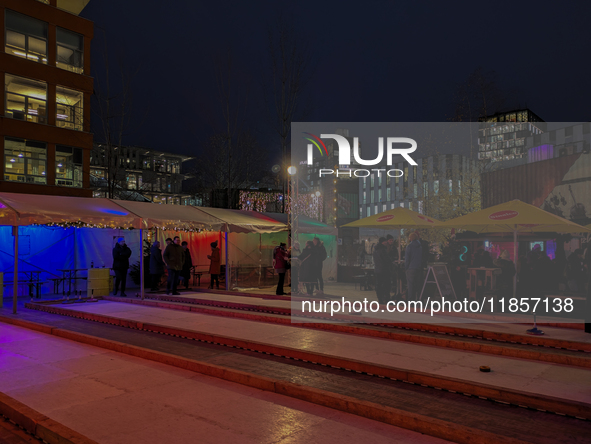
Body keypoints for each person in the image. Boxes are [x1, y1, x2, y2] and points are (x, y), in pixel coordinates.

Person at [373, 237, 391, 305]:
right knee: (386, 285)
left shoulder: (375, 250)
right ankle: (386, 299)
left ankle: (380, 299)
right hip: (384, 270)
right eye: (385, 242)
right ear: (383, 242)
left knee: (379, 285)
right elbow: (387, 260)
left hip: (377, 270)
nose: (386, 243)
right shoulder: (383, 250)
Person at [405, 232, 423, 301]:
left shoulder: (409, 247)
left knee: (411, 286)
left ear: (410, 238)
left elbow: (407, 259)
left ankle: (410, 301)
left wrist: (406, 268)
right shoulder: (420, 246)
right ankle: (419, 300)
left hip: (411, 268)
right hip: (418, 267)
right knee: (418, 285)